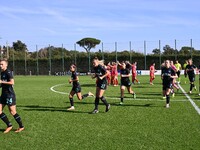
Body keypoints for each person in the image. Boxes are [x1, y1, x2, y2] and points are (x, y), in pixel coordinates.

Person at [0, 59, 24, 133]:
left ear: (6, 65)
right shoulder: (2, 72)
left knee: (13, 112)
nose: (0, 66)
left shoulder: (8, 72)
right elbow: (3, 84)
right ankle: (9, 125)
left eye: (2, 64)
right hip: (3, 94)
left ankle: (21, 126)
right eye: (0, 64)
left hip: (9, 95)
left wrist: (1, 81)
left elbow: (12, 82)